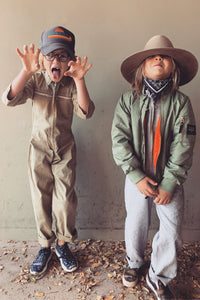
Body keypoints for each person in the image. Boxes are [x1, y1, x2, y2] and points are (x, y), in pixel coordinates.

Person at [2, 26, 95, 278]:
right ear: (42, 59)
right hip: (39, 148)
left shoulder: (71, 83)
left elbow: (86, 112)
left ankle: (63, 244)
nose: (56, 61)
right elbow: (9, 98)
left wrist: (79, 79)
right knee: (40, 198)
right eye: (50, 55)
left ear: (70, 61)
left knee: (65, 201)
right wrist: (26, 70)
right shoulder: (35, 80)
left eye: (63, 56)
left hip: (65, 149)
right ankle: (45, 246)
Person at [111, 35, 198, 299]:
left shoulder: (181, 103)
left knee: (171, 229)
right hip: (136, 176)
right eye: (152, 56)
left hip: (170, 177)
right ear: (142, 67)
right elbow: (119, 139)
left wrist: (170, 183)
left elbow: (184, 145)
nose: (158, 59)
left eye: (164, 56)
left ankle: (158, 276)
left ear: (174, 67)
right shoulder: (128, 101)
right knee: (136, 221)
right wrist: (136, 176)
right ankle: (134, 262)